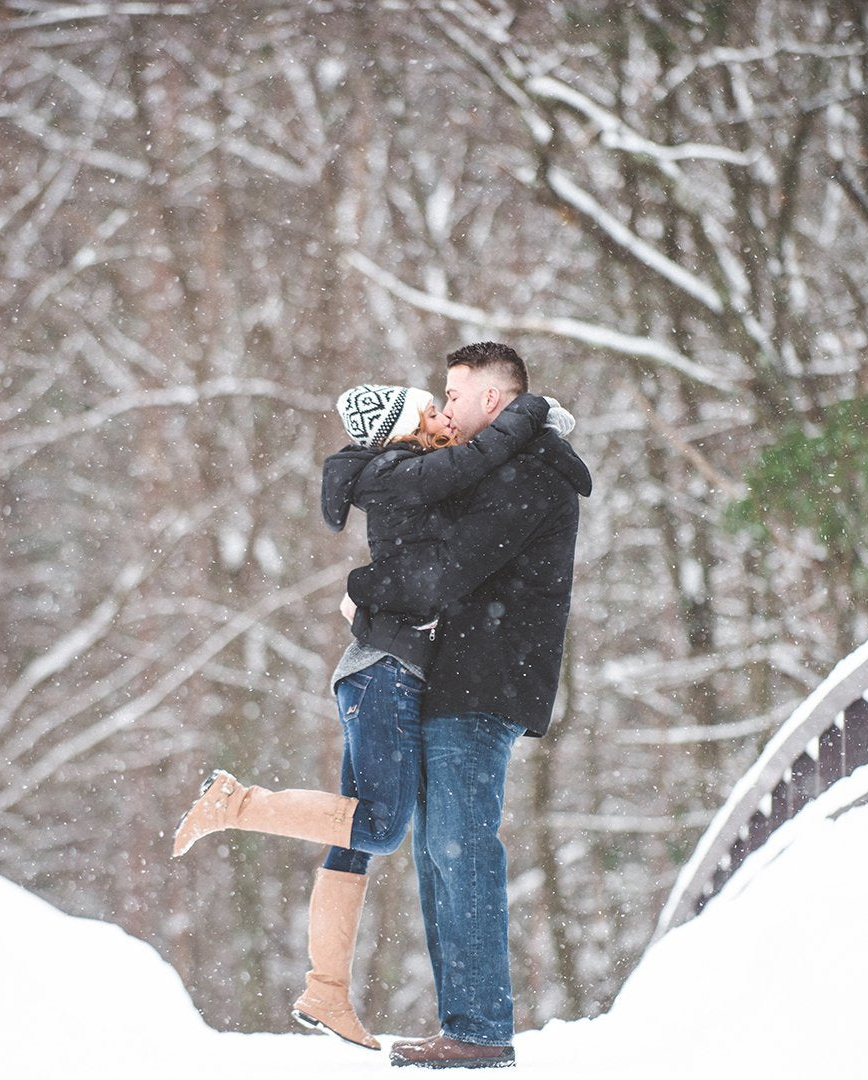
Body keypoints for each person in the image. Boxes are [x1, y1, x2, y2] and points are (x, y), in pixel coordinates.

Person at [172, 381, 552, 1050]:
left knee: (354, 840)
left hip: (377, 674)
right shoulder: (402, 473)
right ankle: (235, 803)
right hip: (383, 678)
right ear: (404, 428)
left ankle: (326, 993)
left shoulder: (397, 475)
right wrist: (526, 412)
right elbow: (467, 466)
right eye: (429, 411)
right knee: (378, 829)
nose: (441, 419)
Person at [344, 343, 592, 1070]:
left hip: (485, 680)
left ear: (494, 399)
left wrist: (364, 589)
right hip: (453, 677)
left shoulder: (535, 471)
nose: (443, 409)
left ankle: (481, 1031)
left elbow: (446, 570)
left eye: (453, 395)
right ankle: (467, 1026)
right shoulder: (498, 468)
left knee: (461, 849)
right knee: (437, 853)